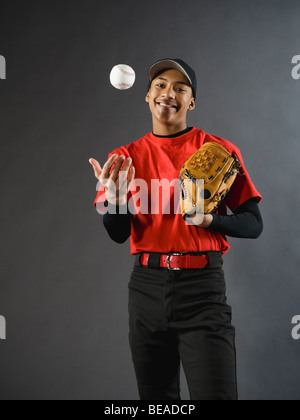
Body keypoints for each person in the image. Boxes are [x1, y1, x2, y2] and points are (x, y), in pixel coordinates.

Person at [89, 59, 263, 401]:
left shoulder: (219, 151)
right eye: (161, 85)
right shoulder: (124, 158)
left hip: (202, 289)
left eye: (180, 88)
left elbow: (254, 223)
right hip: (146, 288)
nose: (168, 93)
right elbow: (117, 233)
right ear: (147, 95)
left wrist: (209, 220)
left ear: (191, 102)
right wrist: (115, 200)